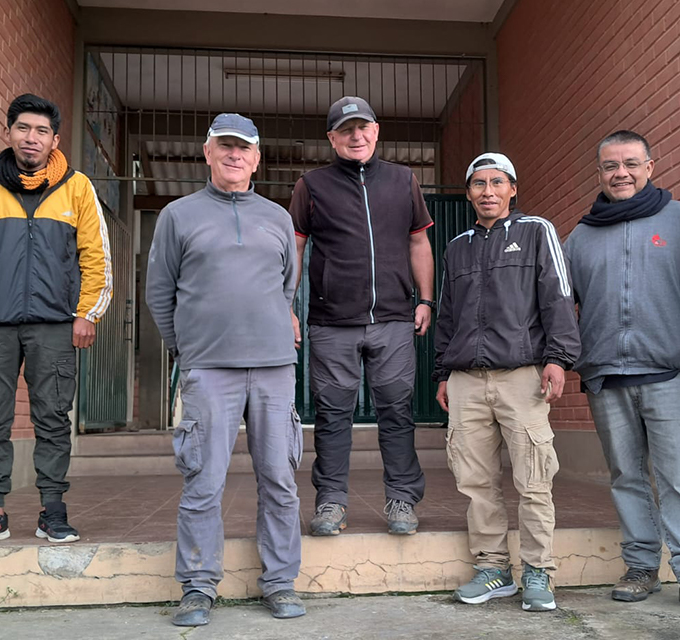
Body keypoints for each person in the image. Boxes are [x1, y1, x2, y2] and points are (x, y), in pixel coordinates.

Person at [563, 131, 680, 618]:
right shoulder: (580, 236)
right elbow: (561, 305)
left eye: (631, 164)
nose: (621, 173)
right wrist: (578, 351)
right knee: (626, 476)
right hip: (605, 376)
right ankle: (641, 567)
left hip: (668, 371)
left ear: (650, 167)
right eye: (611, 166)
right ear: (599, 173)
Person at [146, 114, 305, 625]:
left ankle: (280, 582)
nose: (235, 155)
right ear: (208, 152)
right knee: (203, 481)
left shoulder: (277, 217)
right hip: (209, 368)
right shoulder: (177, 215)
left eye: (244, 148)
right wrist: (188, 350)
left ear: (256, 159)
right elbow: (159, 292)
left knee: (279, 479)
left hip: (274, 367)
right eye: (226, 146)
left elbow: (287, 285)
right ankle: (197, 586)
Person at [0, 93, 112, 548]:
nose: (31, 137)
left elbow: (96, 255)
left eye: (41, 131)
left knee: (53, 418)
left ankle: (52, 510)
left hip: (55, 324)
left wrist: (88, 313)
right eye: (23, 128)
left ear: (55, 140)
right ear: (8, 133)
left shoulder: (77, 188)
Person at [433, 152, 579, 612]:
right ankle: (493, 569)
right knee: (475, 481)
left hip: (522, 377)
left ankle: (538, 571)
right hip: (466, 380)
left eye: (497, 182)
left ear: (513, 189)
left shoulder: (537, 231)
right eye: (479, 183)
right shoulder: (456, 247)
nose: (488, 191)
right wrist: (442, 372)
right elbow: (447, 315)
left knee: (534, 479)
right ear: (468, 193)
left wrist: (558, 359)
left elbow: (558, 297)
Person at [289, 96, 434, 536]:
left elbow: (418, 242)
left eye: (363, 127)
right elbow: (295, 247)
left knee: (397, 412)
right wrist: (284, 307)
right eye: (346, 130)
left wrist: (426, 300)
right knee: (332, 415)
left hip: (394, 320)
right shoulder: (311, 185)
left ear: (376, 131)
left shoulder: (403, 180)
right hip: (332, 323)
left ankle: (402, 499)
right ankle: (331, 502)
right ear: (332, 139)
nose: (356, 136)